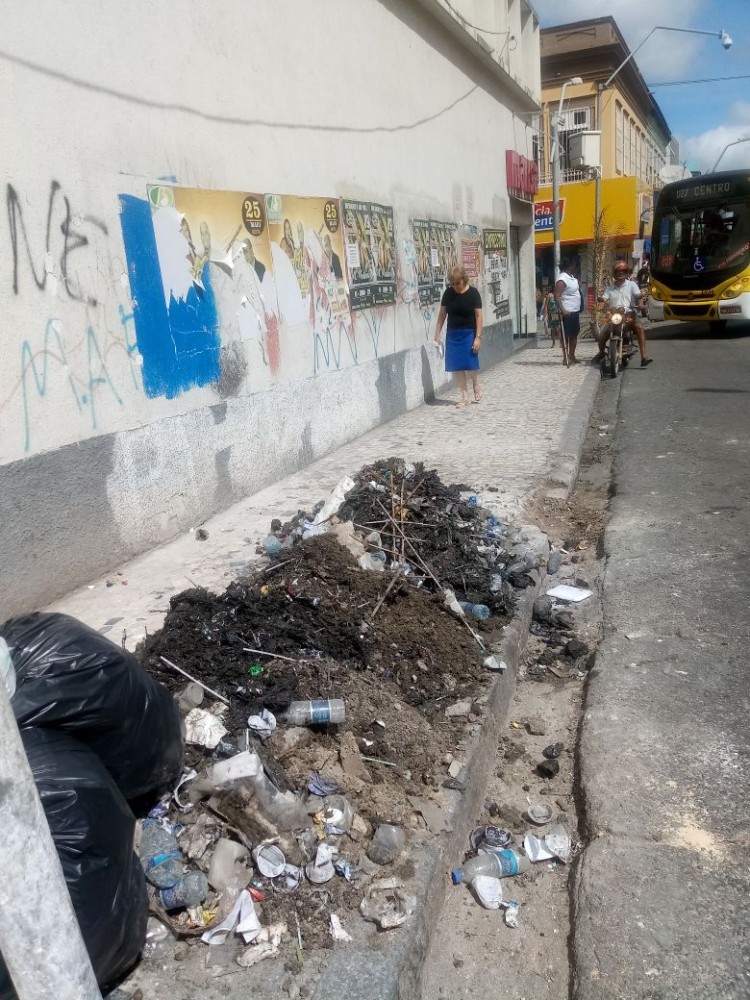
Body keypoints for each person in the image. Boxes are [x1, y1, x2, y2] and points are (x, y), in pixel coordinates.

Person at [434, 264, 483, 409]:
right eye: (453, 283)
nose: (455, 286)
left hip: (469, 332)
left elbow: (479, 316)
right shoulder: (448, 294)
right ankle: (464, 397)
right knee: (457, 366)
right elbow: (442, 315)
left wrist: (478, 337)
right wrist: (437, 334)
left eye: (458, 283)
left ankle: (475, 383)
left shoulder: (474, 294)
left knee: (470, 364)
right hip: (453, 334)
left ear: (464, 280)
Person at [594, 260, 653, 367]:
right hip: (614, 316)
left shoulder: (632, 285)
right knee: (602, 336)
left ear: (626, 272)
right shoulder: (610, 288)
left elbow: (638, 295)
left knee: (639, 328)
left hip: (629, 315)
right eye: (618, 271)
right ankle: (601, 353)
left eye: (623, 271)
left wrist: (640, 304)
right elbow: (604, 298)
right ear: (614, 272)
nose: (620, 273)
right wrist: (601, 303)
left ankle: (644, 356)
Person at [554, 258, 582, 364]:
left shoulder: (572, 278)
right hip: (567, 311)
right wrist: (563, 310)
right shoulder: (562, 279)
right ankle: (565, 357)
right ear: (569, 266)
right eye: (573, 266)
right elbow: (557, 296)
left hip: (575, 311)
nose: (575, 268)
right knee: (566, 335)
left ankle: (572, 355)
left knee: (574, 334)